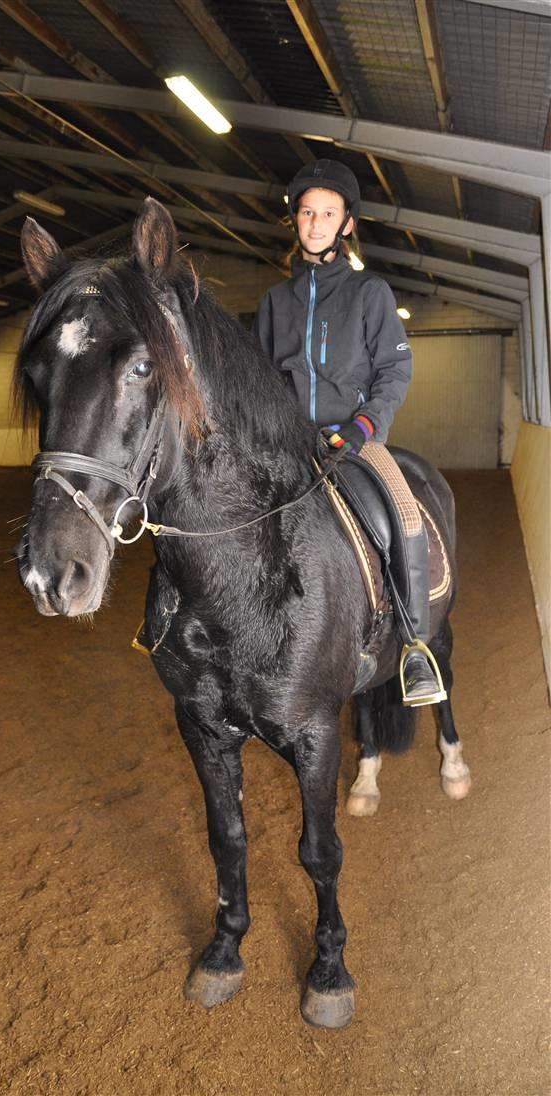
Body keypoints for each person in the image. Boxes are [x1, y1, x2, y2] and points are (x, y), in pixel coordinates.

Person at [254, 158, 443, 707]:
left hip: (354, 438)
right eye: (307, 212)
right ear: (295, 220)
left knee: (404, 515)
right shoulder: (274, 302)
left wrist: (363, 426)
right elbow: (260, 378)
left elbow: (395, 369)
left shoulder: (369, 293)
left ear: (346, 224)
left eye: (327, 213)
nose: (315, 223)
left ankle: (414, 646)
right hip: (289, 442)